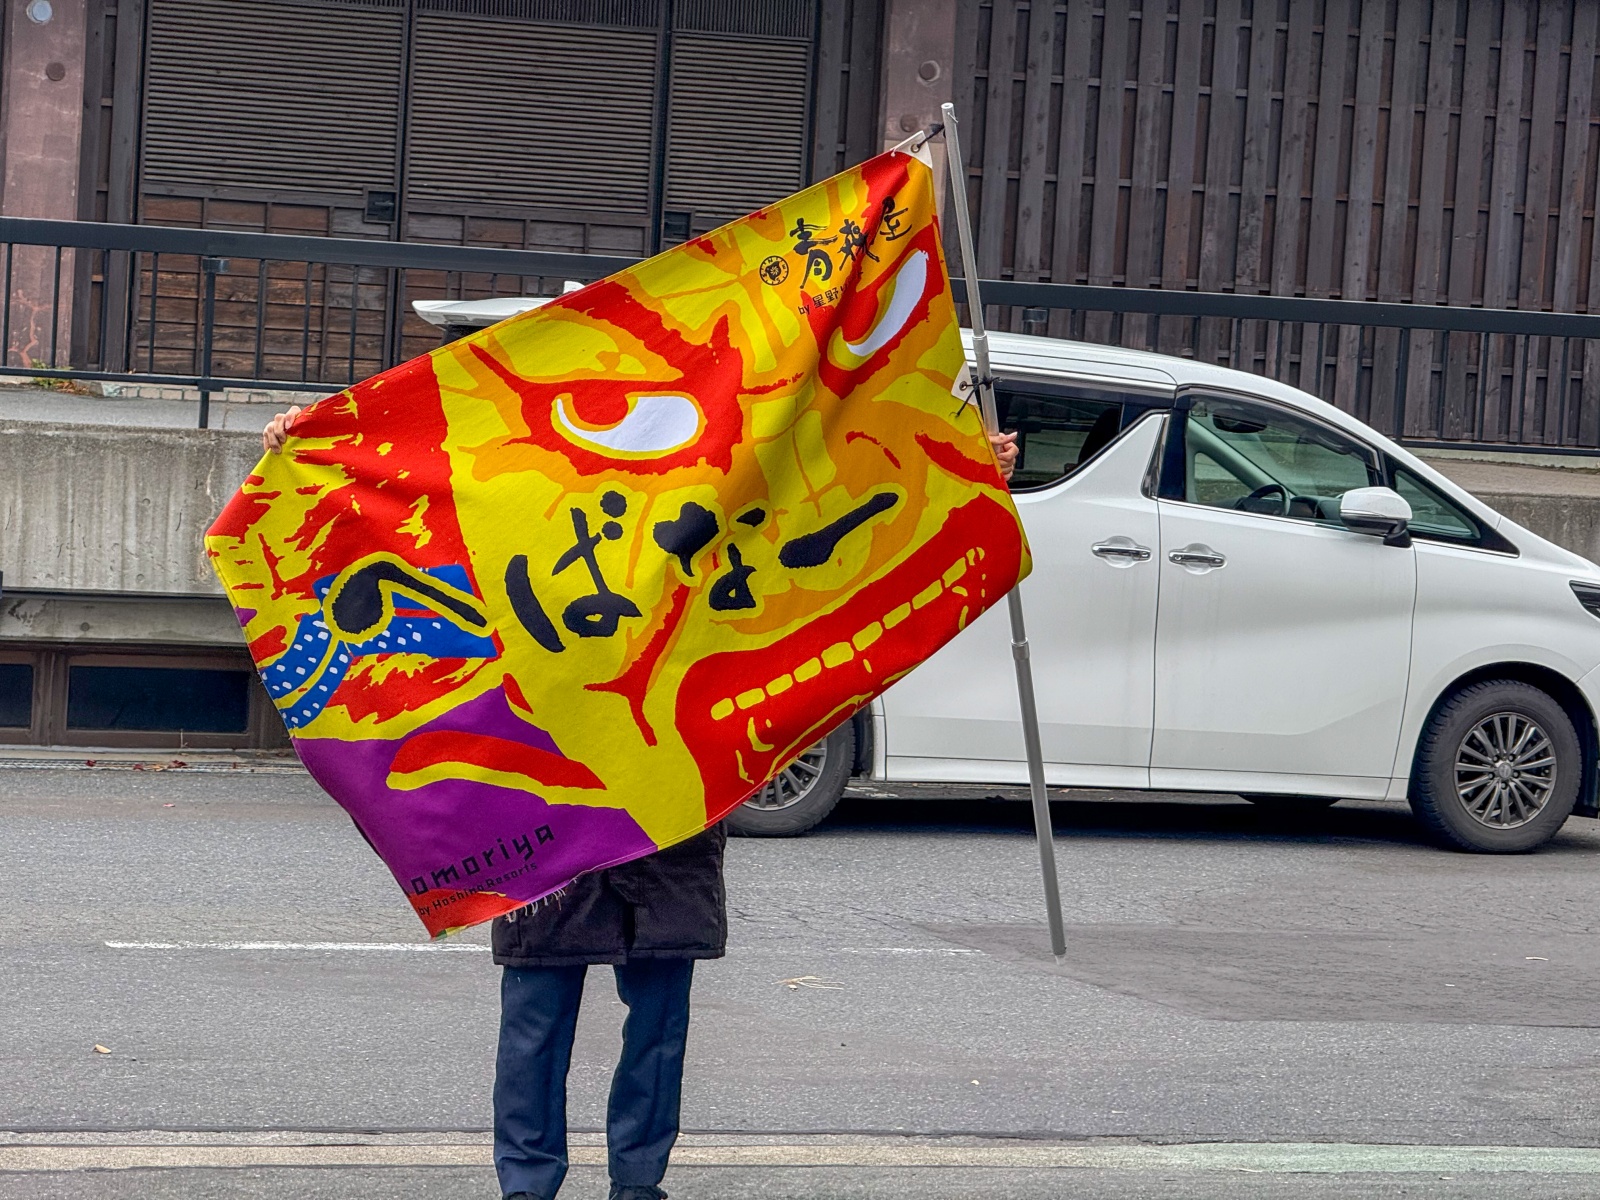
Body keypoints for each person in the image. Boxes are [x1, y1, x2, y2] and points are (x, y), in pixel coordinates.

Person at [260, 410, 1016, 1200]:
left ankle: (638, 1186)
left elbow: (828, 520)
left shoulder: (704, 514)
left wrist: (964, 469)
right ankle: (527, 1189)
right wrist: (307, 446)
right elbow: (408, 510)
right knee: (537, 1015)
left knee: (657, 1025)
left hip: (671, 802)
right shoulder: (521, 510)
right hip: (547, 799)